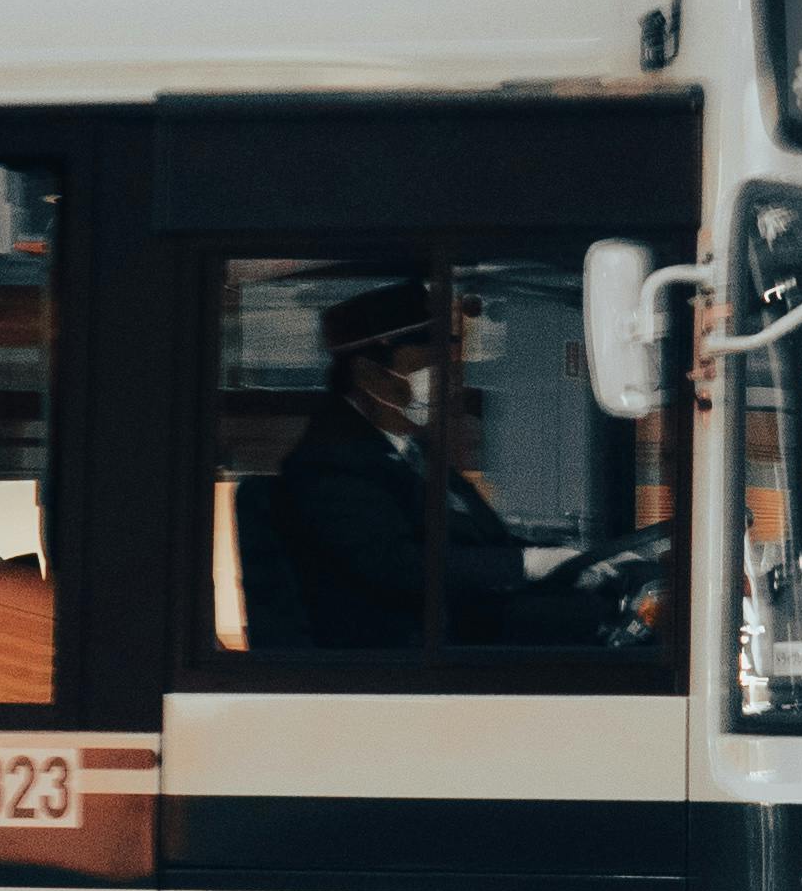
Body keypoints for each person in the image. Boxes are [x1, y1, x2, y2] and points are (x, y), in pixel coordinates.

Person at [266, 274, 624, 654]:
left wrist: (577, 560)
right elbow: (396, 565)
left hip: (457, 628)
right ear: (368, 373)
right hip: (397, 653)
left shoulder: (412, 451)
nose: (444, 381)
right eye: (422, 363)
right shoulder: (329, 463)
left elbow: (486, 540)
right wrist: (526, 565)